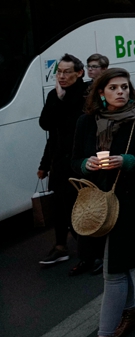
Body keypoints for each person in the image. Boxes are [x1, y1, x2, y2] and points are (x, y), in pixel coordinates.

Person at [72, 67, 135, 337]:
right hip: (97, 205)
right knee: (118, 266)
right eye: (113, 88)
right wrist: (87, 164)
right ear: (101, 93)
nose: (121, 92)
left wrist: (129, 161)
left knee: (112, 270)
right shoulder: (86, 123)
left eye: (125, 87)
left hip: (130, 205)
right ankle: (131, 312)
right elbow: (74, 161)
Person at [38, 54, 90, 268]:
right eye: (58, 71)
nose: (61, 76)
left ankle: (88, 246)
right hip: (60, 161)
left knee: (80, 205)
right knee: (60, 206)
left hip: (83, 160)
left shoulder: (87, 94)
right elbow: (47, 126)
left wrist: (63, 101)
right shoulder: (55, 96)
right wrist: (44, 163)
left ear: (79, 73)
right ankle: (60, 246)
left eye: (67, 72)